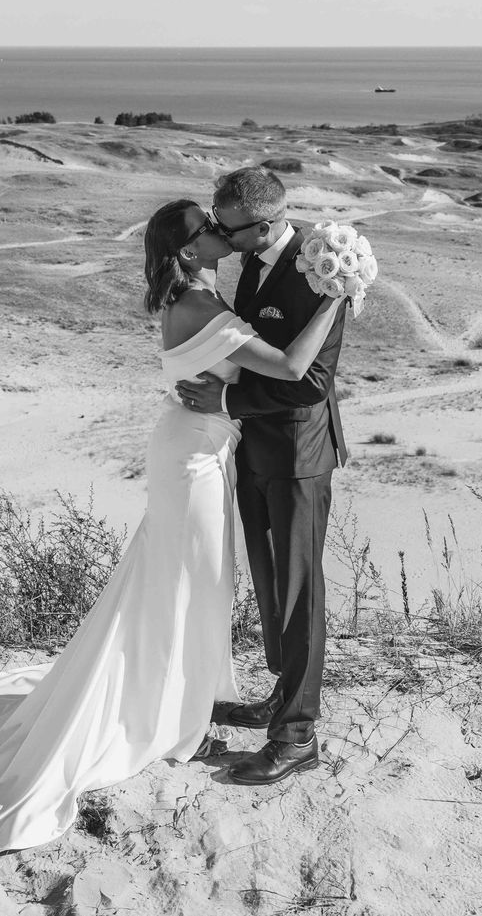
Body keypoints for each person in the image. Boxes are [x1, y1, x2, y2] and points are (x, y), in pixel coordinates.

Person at [0, 198, 344, 856]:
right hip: (193, 458)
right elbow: (287, 369)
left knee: (177, 582)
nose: (222, 234)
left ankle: (173, 705)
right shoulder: (201, 306)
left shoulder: (200, 295)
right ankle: (162, 716)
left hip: (195, 449)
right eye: (208, 229)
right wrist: (337, 298)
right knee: (188, 586)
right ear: (189, 251)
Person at [175, 166, 348, 786]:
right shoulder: (248, 260)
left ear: (268, 222)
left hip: (299, 457)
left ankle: (297, 733)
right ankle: (282, 695)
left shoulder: (321, 269)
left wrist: (224, 405)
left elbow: (309, 382)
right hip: (255, 450)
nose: (221, 233)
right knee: (271, 581)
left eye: (230, 225)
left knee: (300, 591)